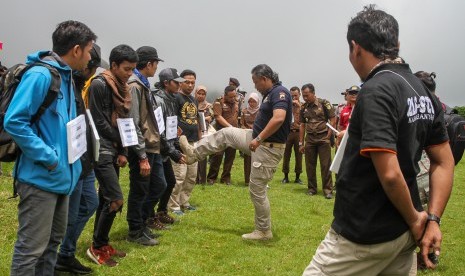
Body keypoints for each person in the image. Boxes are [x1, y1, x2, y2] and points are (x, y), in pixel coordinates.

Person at [303, 5, 454, 275]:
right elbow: (444, 162)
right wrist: (431, 219)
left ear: (355, 47)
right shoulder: (422, 90)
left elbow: (390, 174)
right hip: (402, 234)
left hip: (364, 233)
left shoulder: (376, 90)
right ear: (396, 44)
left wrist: (419, 220)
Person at [4, 20, 96, 275]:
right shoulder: (41, 75)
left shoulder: (65, 77)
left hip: (62, 179)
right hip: (40, 179)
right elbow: (14, 121)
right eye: (89, 50)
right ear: (76, 50)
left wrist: (72, 166)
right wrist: (50, 157)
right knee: (30, 250)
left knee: (52, 245)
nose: (90, 57)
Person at [179, 64, 292, 240]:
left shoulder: (280, 92)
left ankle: (264, 231)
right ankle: (194, 154)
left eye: (256, 82)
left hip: (267, 147)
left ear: (264, 79)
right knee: (226, 133)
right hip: (257, 140)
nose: (255, 86)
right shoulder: (270, 94)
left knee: (257, 190)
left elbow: (279, 118)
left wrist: (258, 138)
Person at [87, 44, 138, 267]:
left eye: (132, 70)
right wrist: (121, 141)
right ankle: (95, 248)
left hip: (114, 148)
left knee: (106, 199)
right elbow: (99, 122)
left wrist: (123, 150)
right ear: (114, 65)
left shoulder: (122, 88)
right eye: (126, 69)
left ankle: (101, 242)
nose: (130, 74)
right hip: (101, 149)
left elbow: (124, 121)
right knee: (115, 199)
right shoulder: (99, 85)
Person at [55, 43, 102, 275]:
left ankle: (65, 253)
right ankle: (61, 256)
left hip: (85, 161)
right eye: (91, 66)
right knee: (69, 215)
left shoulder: (79, 85)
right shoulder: (66, 84)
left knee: (90, 204)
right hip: (74, 161)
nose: (92, 71)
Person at [126, 46, 164, 246]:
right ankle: (135, 229)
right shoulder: (134, 85)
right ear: (149, 64)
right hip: (143, 148)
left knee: (157, 185)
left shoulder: (144, 84)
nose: (156, 67)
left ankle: (141, 223)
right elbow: (133, 121)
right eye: (156, 63)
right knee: (140, 189)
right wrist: (140, 155)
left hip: (152, 145)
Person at [150, 68, 186, 218]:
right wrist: (173, 152)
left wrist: (177, 146)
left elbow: (172, 127)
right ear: (166, 83)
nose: (179, 85)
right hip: (157, 150)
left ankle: (162, 212)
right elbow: (159, 130)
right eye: (176, 82)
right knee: (158, 185)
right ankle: (148, 216)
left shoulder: (171, 99)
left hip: (166, 149)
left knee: (170, 182)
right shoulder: (158, 101)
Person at [169, 69, 199, 214]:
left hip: (194, 140)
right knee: (180, 175)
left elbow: (196, 119)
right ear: (181, 82)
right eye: (187, 82)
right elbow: (173, 120)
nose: (190, 85)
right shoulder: (176, 98)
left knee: (192, 175)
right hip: (180, 141)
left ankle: (184, 202)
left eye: (193, 82)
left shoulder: (193, 99)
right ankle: (173, 205)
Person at [298, 83, 336, 199]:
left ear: (313, 93)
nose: (305, 98)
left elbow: (333, 120)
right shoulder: (303, 107)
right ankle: (312, 189)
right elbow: (302, 125)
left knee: (325, 165)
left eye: (307, 95)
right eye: (303, 95)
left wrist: (328, 136)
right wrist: (301, 143)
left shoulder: (324, 103)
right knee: (310, 165)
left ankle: (328, 190)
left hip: (323, 138)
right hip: (310, 139)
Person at [207, 85, 238, 185]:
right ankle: (212, 178)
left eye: (234, 96)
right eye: (231, 97)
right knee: (217, 155)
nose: (233, 99)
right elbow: (218, 117)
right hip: (221, 133)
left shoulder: (236, 102)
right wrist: (230, 126)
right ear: (225, 95)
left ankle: (225, 178)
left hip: (233, 135)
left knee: (230, 156)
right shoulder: (218, 102)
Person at [281, 86, 303, 184]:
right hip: (288, 132)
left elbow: (306, 118)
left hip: (298, 132)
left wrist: (299, 106)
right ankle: (285, 176)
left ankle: (298, 177)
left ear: (299, 95)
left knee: (299, 155)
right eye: (291, 95)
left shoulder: (303, 105)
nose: (293, 98)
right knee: (286, 155)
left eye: (295, 95)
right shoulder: (286, 105)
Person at [241, 92, 260, 185]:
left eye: (254, 101)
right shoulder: (244, 111)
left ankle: (257, 180)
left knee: (258, 159)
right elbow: (242, 124)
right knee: (247, 158)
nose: (252, 103)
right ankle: (247, 180)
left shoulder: (261, 111)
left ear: (258, 102)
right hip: (247, 136)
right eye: (250, 101)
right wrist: (246, 129)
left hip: (258, 137)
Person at [195, 85, 213, 184]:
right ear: (195, 93)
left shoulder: (209, 106)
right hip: (193, 132)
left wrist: (201, 118)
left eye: (203, 94)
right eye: (199, 93)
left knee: (202, 155)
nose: (201, 96)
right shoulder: (192, 104)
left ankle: (202, 179)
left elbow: (210, 118)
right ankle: (194, 178)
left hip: (203, 132)